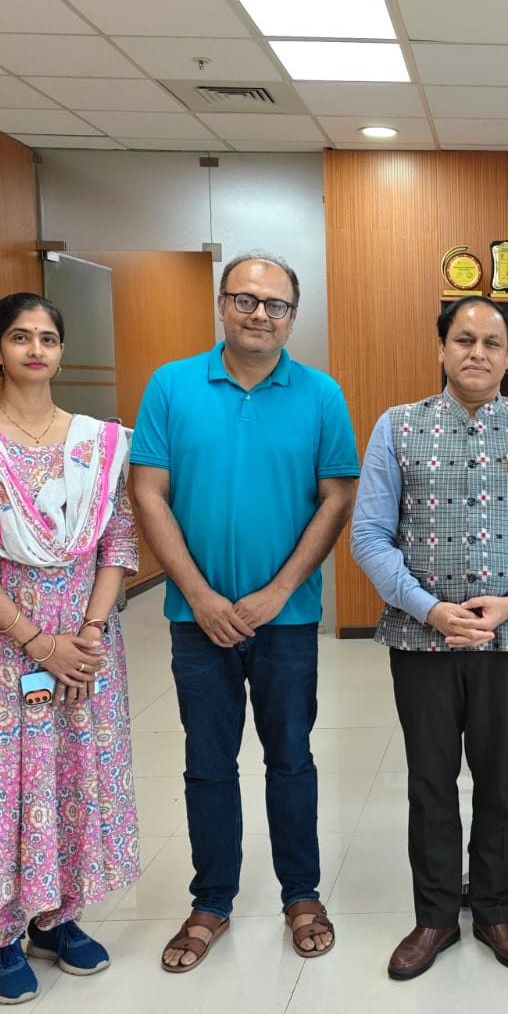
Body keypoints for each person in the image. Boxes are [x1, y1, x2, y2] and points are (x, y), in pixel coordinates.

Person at [130, 251, 359, 974]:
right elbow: (148, 492)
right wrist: (199, 595)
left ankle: (302, 895)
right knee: (207, 762)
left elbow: (337, 499)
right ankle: (211, 901)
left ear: (293, 315)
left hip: (286, 621)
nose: (260, 314)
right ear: (222, 303)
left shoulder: (320, 395)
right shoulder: (171, 386)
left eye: (276, 304)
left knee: (290, 758)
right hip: (197, 619)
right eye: (246, 300)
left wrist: (279, 592)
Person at [0, 292, 140, 1004]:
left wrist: (90, 633)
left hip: (85, 641)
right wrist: (38, 642)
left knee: (70, 772)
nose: (35, 349)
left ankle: (57, 917)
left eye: (47, 337)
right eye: (20, 336)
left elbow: (118, 541)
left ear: (61, 351)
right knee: (0, 781)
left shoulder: (99, 444)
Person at [351, 296, 508, 980]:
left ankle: (494, 910)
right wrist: (429, 609)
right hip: (421, 638)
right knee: (430, 780)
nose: (477, 352)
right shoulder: (397, 427)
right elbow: (370, 535)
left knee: (502, 780)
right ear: (442, 349)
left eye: (491, 342)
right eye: (464, 340)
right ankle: (433, 917)